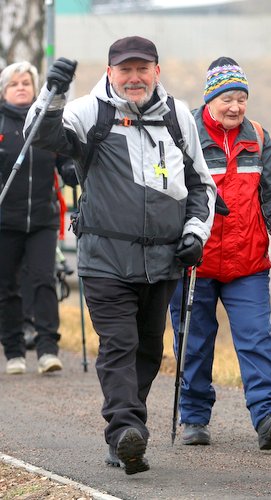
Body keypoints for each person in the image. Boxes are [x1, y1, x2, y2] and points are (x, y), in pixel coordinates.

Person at [24, 36, 216, 474]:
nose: (134, 78)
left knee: (148, 349)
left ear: (156, 71)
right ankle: (126, 432)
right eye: (125, 70)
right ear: (110, 73)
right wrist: (52, 94)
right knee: (119, 345)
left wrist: (194, 233)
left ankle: (126, 436)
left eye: (142, 69)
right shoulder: (93, 110)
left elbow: (202, 185)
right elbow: (42, 136)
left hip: (165, 260)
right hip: (105, 259)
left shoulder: (178, 117)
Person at [169, 56, 271, 451]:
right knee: (194, 341)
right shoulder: (183, 131)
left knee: (257, 338)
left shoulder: (258, 137)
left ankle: (268, 416)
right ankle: (193, 417)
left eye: (241, 98)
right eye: (227, 97)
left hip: (248, 260)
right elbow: (169, 190)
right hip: (195, 260)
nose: (235, 107)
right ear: (210, 98)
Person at [0, 61, 77, 375]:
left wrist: (71, 169)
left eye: (26, 83)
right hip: (5, 219)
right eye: (14, 83)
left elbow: (66, 158)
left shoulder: (47, 121)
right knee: (7, 287)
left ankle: (48, 349)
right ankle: (14, 351)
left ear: (34, 90)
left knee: (44, 280)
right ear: (4, 91)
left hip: (43, 218)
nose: (21, 87)